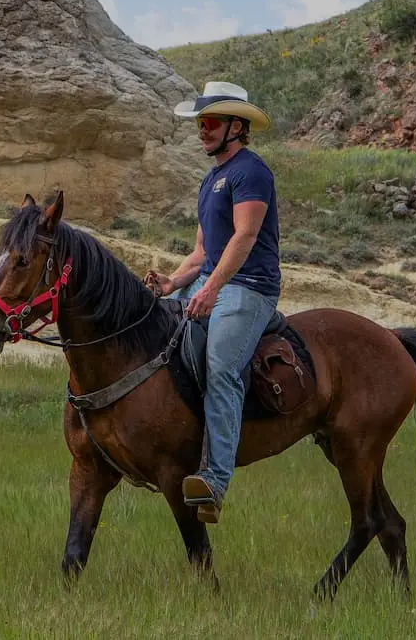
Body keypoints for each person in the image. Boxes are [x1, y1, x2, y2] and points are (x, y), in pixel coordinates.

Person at [144, 81, 282, 524]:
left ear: (236, 127)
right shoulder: (210, 180)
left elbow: (245, 236)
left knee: (222, 367)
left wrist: (211, 289)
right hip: (211, 279)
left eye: (211, 122)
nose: (202, 130)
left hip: (249, 286)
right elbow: (203, 252)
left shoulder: (252, 172)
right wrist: (174, 282)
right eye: (200, 123)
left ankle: (215, 481)